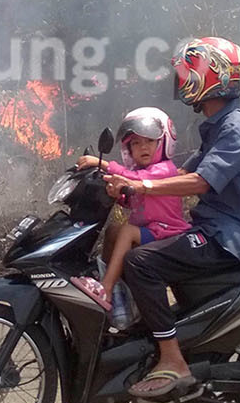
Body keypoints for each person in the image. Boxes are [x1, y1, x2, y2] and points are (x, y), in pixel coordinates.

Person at [104, 36, 240, 400]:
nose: (181, 81)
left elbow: (198, 182)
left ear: (209, 76)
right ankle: (166, 335)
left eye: (186, 73)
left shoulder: (236, 129)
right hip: (217, 230)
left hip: (233, 236)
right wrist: (120, 178)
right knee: (139, 241)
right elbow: (179, 173)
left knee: (142, 262)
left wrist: (142, 187)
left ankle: (173, 360)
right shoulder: (218, 128)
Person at [68, 107, 190, 313]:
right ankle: (108, 278)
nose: (143, 147)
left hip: (167, 232)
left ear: (163, 143)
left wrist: (103, 165)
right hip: (151, 230)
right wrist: (118, 195)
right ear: (129, 149)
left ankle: (105, 289)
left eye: (150, 141)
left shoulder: (164, 169)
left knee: (126, 231)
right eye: (136, 143)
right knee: (114, 229)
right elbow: (135, 198)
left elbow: (138, 181)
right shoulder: (140, 172)